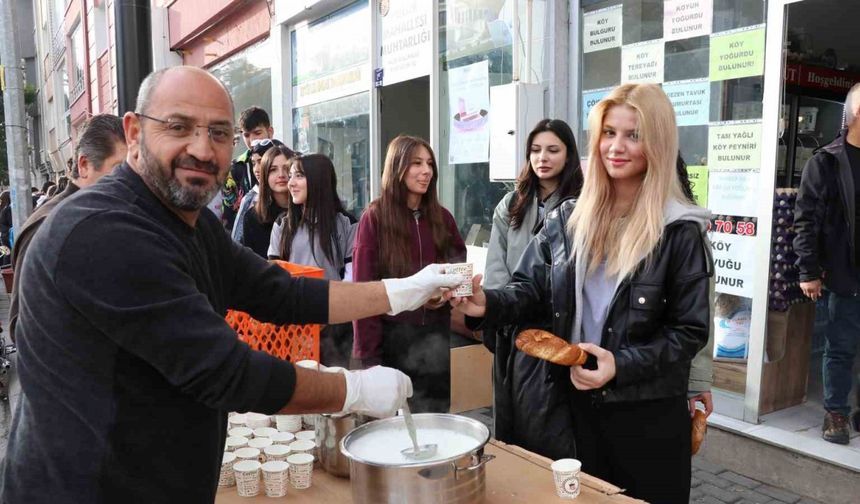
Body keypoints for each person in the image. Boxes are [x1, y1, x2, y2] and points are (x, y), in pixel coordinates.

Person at [0, 66, 466, 503]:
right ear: (135, 132)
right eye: (179, 127)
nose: (203, 149)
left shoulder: (191, 222)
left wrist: (400, 290)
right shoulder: (102, 231)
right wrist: (354, 390)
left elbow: (282, 292)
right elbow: (226, 372)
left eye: (219, 133)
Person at [450, 83, 711, 503]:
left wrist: (619, 365)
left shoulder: (679, 231)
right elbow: (530, 288)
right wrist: (488, 303)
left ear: (658, 142)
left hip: (646, 413)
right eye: (608, 132)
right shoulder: (569, 219)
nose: (616, 147)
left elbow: (688, 331)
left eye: (633, 135)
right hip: (573, 405)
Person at [483, 118, 583, 443]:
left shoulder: (582, 205)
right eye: (536, 150)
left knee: (553, 427)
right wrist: (495, 314)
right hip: (512, 323)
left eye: (553, 150)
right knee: (511, 419)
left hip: (558, 330)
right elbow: (496, 266)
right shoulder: (512, 203)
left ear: (568, 155)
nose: (543, 158)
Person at [352, 135, 467, 413]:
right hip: (392, 339)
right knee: (393, 423)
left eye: (429, 164)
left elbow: (457, 264)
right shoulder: (375, 218)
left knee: (436, 421)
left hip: (435, 339)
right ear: (397, 167)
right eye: (416, 163)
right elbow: (363, 290)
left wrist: (446, 292)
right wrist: (370, 360)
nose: (426, 171)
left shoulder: (442, 217)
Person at [8, 114, 128, 344]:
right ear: (84, 165)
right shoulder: (47, 227)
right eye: (120, 169)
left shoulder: (105, 216)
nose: (131, 182)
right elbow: (22, 326)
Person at [795, 82, 860, 445]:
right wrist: (808, 270)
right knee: (841, 346)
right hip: (843, 274)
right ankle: (836, 413)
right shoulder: (827, 161)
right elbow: (806, 219)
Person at [269, 153, 357, 367]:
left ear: (319, 180)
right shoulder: (283, 224)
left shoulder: (347, 223)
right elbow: (274, 273)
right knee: (300, 381)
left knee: (333, 381)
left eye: (298, 176)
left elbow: (352, 275)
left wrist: (330, 311)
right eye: (291, 176)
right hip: (294, 322)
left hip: (336, 322)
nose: (290, 183)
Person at [222, 106, 274, 231]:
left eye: (257, 133)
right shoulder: (235, 169)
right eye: (246, 135)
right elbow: (228, 217)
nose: (252, 141)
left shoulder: (287, 161)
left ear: (270, 132)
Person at [240, 144, 293, 258]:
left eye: (286, 168)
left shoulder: (308, 213)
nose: (281, 175)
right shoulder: (252, 217)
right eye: (273, 170)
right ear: (265, 175)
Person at [231, 138, 287, 243]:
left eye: (261, 162)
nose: (257, 169)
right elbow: (237, 242)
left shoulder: (304, 208)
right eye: (253, 163)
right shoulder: (251, 204)